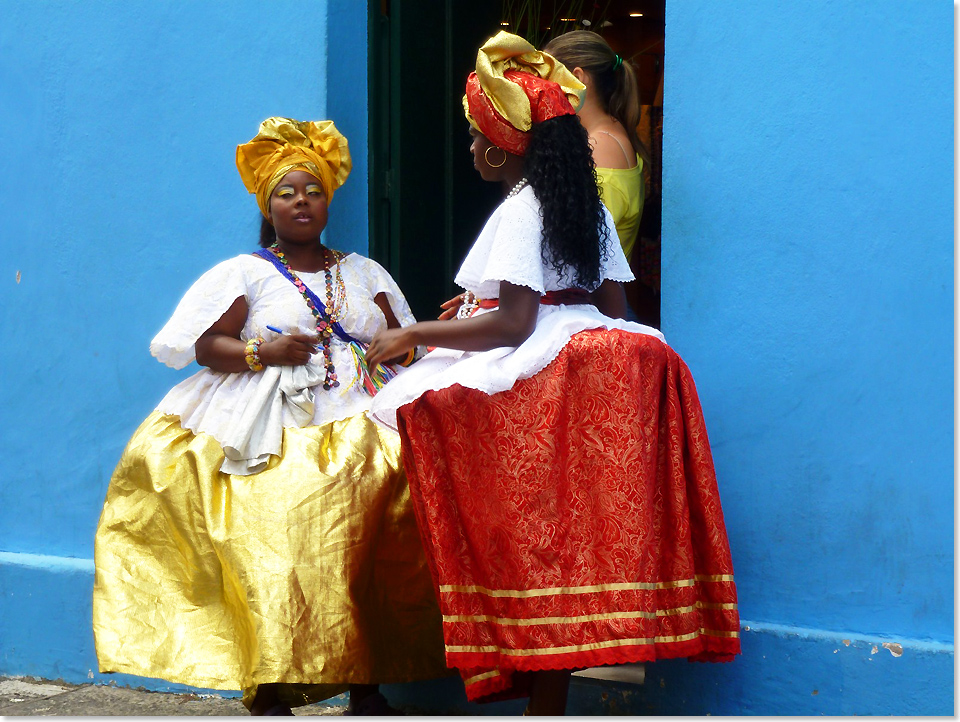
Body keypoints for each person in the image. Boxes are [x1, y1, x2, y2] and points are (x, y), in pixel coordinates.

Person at [365, 33, 740, 716]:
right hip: (594, 368)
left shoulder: (522, 208)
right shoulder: (576, 202)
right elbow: (612, 305)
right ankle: (546, 697)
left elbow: (513, 325)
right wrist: (485, 305)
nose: (471, 149)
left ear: (499, 149)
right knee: (563, 550)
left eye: (475, 137)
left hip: (540, 366)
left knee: (414, 431)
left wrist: (416, 331)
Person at [93, 117, 449, 716]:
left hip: (364, 415)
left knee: (370, 543)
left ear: (328, 199)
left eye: (312, 190)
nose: (301, 201)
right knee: (282, 549)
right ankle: (273, 688)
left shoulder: (365, 272)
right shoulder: (248, 273)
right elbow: (208, 346)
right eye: (286, 192)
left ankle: (368, 685)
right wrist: (263, 352)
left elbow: (401, 339)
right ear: (269, 205)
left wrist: (410, 344)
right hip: (274, 421)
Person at [544, 30, 648, 266]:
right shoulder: (605, 134)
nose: (542, 90)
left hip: (590, 301)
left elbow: (583, 254)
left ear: (578, 77)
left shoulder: (601, 147)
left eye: (547, 78)